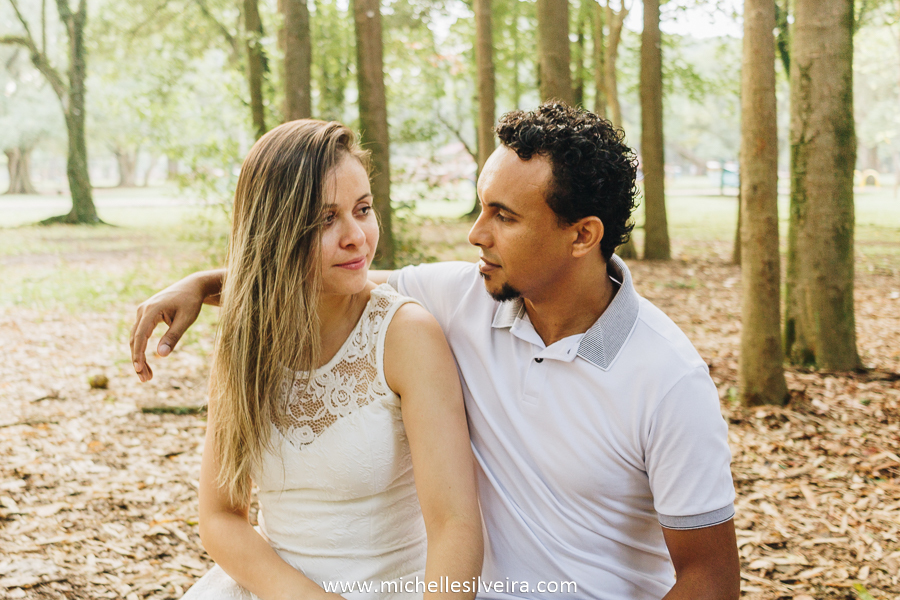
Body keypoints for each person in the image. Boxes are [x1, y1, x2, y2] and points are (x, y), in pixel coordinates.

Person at [131, 103, 739, 600]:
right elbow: (318, 275)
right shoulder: (469, 294)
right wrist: (202, 285)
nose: (476, 234)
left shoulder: (667, 377)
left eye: (503, 216)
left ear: (582, 235)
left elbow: (711, 579)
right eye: (481, 207)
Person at [161, 119, 482, 600]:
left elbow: (455, 526)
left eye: (363, 209)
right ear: (276, 232)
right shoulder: (246, 338)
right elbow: (221, 517)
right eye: (324, 220)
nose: (356, 236)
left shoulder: (405, 335)